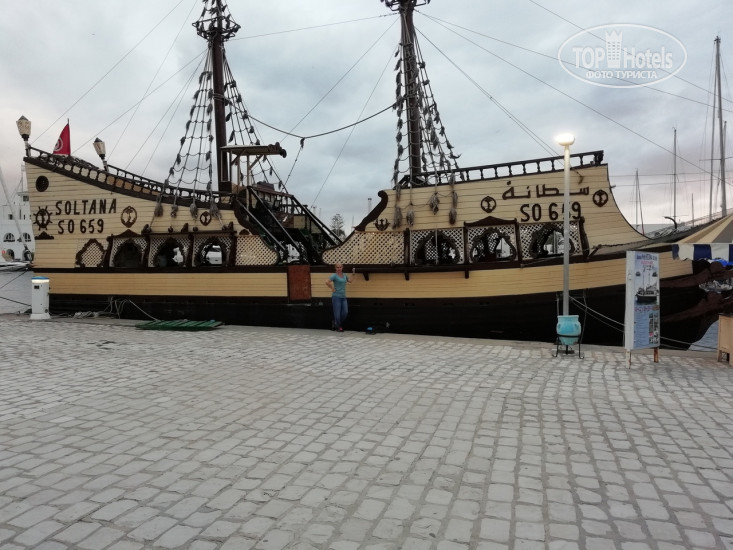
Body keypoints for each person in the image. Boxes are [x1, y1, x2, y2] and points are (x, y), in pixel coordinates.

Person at [326, 263, 353, 332]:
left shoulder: (344, 275)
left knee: (345, 312)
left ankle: (335, 322)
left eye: (340, 267)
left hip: (343, 297)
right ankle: (338, 327)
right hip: (336, 297)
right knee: (337, 314)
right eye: (337, 267)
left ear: (342, 267)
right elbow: (327, 282)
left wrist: (353, 274)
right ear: (335, 268)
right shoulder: (334, 276)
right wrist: (332, 288)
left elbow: (350, 281)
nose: (339, 268)